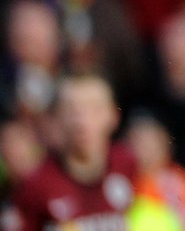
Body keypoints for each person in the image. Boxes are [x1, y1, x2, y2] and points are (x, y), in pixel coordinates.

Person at [9, 73, 137, 231]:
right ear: (57, 118)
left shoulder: (129, 165)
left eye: (94, 109)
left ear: (114, 116)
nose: (82, 122)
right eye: (71, 110)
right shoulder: (35, 187)